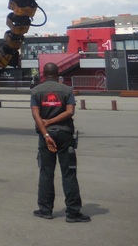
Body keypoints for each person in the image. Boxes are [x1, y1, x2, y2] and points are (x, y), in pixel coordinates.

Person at [30, 61, 90, 222]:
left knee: (46, 172)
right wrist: (52, 121)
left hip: (46, 135)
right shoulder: (67, 90)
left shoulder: (36, 91)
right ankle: (73, 212)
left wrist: (46, 133)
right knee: (69, 173)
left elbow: (35, 115)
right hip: (64, 134)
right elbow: (70, 112)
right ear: (58, 74)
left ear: (44, 74)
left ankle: (45, 210)